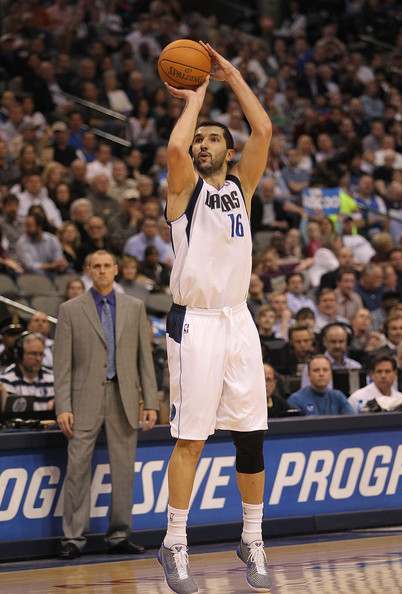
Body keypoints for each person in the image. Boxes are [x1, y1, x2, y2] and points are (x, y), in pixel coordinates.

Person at [157, 42, 272, 594]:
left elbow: (265, 130)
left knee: (251, 438)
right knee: (193, 441)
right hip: (195, 324)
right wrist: (195, 101)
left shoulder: (243, 189)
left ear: (228, 151)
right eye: (200, 139)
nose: (201, 144)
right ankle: (175, 544)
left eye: (212, 139)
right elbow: (176, 148)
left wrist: (230, 75)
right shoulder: (183, 192)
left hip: (239, 321)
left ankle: (252, 536)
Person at [54, 249, 158, 560]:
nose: (101, 271)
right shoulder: (70, 309)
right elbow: (62, 364)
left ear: (115, 270)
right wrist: (63, 406)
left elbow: (145, 359)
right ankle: (73, 538)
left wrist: (150, 401)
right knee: (77, 469)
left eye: (106, 266)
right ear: (88, 270)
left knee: (124, 469)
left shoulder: (135, 307)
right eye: (95, 266)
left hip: (124, 396)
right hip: (83, 398)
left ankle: (119, 535)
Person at [0, 331, 54, 411]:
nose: (38, 359)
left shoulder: (51, 379)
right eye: (33, 354)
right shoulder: (6, 379)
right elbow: (11, 415)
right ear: (20, 354)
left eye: (41, 354)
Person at [288, 354, 355, 415]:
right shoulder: (296, 400)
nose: (321, 374)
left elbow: (353, 421)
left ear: (331, 375)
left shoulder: (338, 397)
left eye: (325, 370)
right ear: (309, 375)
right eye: (316, 370)